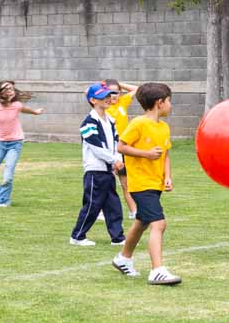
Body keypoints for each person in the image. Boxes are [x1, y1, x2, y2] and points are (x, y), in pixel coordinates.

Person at [111, 82, 180, 285]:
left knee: (142, 221)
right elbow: (121, 147)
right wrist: (146, 154)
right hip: (140, 184)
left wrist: (167, 176)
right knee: (158, 223)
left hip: (155, 183)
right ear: (159, 103)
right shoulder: (138, 124)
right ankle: (157, 270)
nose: (170, 105)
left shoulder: (164, 127)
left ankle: (123, 258)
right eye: (169, 101)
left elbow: (165, 154)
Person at [69, 82, 126, 247]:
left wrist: (118, 159)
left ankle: (118, 237)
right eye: (104, 96)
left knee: (113, 205)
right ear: (93, 100)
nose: (109, 99)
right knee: (92, 205)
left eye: (109, 95)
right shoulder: (88, 122)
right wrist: (113, 160)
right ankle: (77, 236)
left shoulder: (111, 121)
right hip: (95, 171)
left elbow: (116, 142)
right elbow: (96, 147)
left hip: (107, 171)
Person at [0, 80, 44, 207]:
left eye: (12, 89)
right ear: (1, 92)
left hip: (15, 144)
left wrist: (36, 112)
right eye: (8, 89)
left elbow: (25, 109)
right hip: (0, 144)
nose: (11, 91)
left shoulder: (16, 105)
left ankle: (3, 201)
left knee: (8, 176)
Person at [105, 79, 139, 220]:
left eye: (117, 92)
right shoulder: (104, 107)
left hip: (122, 148)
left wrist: (120, 84)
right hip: (108, 149)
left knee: (126, 184)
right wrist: (104, 86)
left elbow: (136, 89)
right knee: (106, 182)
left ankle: (134, 212)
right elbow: (88, 92)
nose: (114, 95)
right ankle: (101, 211)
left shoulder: (123, 102)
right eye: (111, 92)